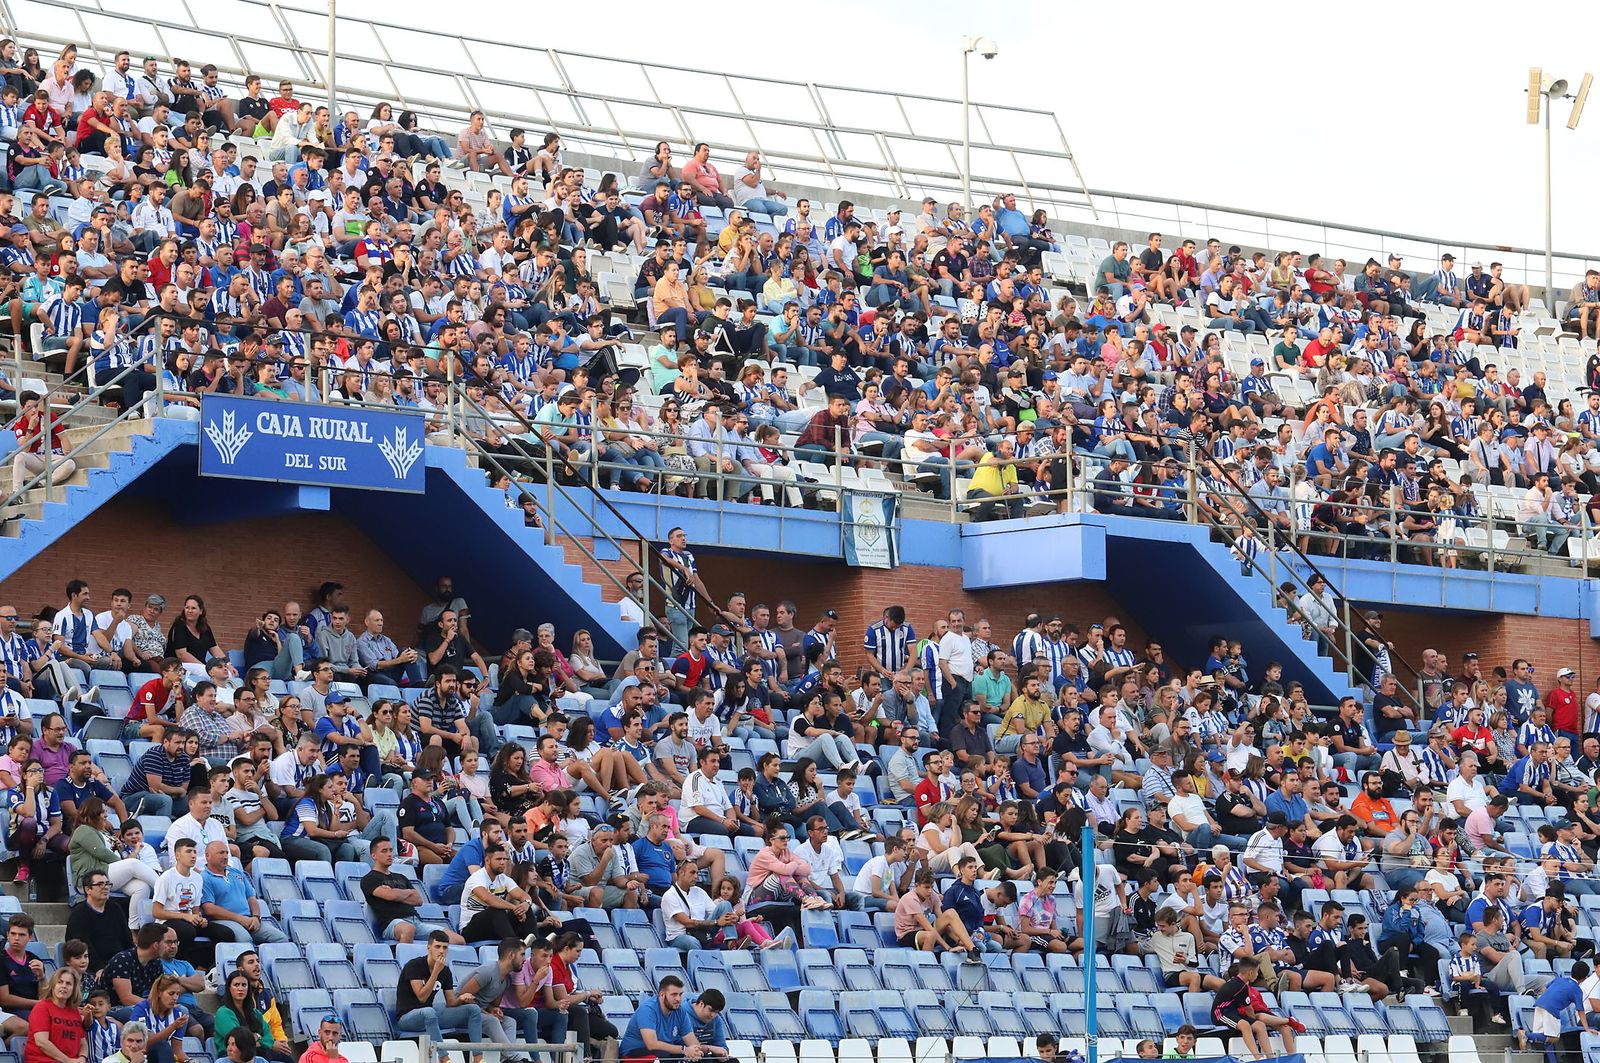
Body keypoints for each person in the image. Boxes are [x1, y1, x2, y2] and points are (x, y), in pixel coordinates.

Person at [393, 930, 483, 1054]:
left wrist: (461, 999)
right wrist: (435, 972)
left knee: (473, 1009)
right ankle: (443, 1057)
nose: (441, 951)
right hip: (407, 1018)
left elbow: (451, 1002)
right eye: (437, 946)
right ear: (429, 948)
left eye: (445, 947)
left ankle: (478, 1057)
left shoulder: (445, 971)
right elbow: (422, 997)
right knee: (429, 1011)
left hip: (430, 1017)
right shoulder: (414, 965)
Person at [620, 975, 711, 1063]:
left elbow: (692, 1041)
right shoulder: (647, 1010)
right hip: (634, 1054)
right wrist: (684, 1050)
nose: (678, 999)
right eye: (674, 995)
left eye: (680, 994)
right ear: (662, 995)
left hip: (662, 1054)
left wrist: (696, 1052)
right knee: (661, 1057)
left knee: (703, 1058)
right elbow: (651, 1044)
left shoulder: (680, 1011)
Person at [211, 971, 291, 1063]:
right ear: (229, 988)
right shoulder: (223, 1013)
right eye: (236, 985)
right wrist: (258, 1036)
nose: (240, 988)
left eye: (244, 985)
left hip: (259, 1054)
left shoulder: (255, 1013)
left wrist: (256, 1040)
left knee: (287, 1059)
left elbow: (269, 1038)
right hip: (233, 1057)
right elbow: (239, 1040)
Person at [24, 968, 82, 1063]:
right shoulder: (42, 1007)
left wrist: (82, 1058)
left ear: (74, 988)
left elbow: (82, 1042)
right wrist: (67, 1060)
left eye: (68, 983)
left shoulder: (74, 1011)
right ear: (53, 985)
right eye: (60, 982)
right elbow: (42, 1042)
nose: (64, 986)